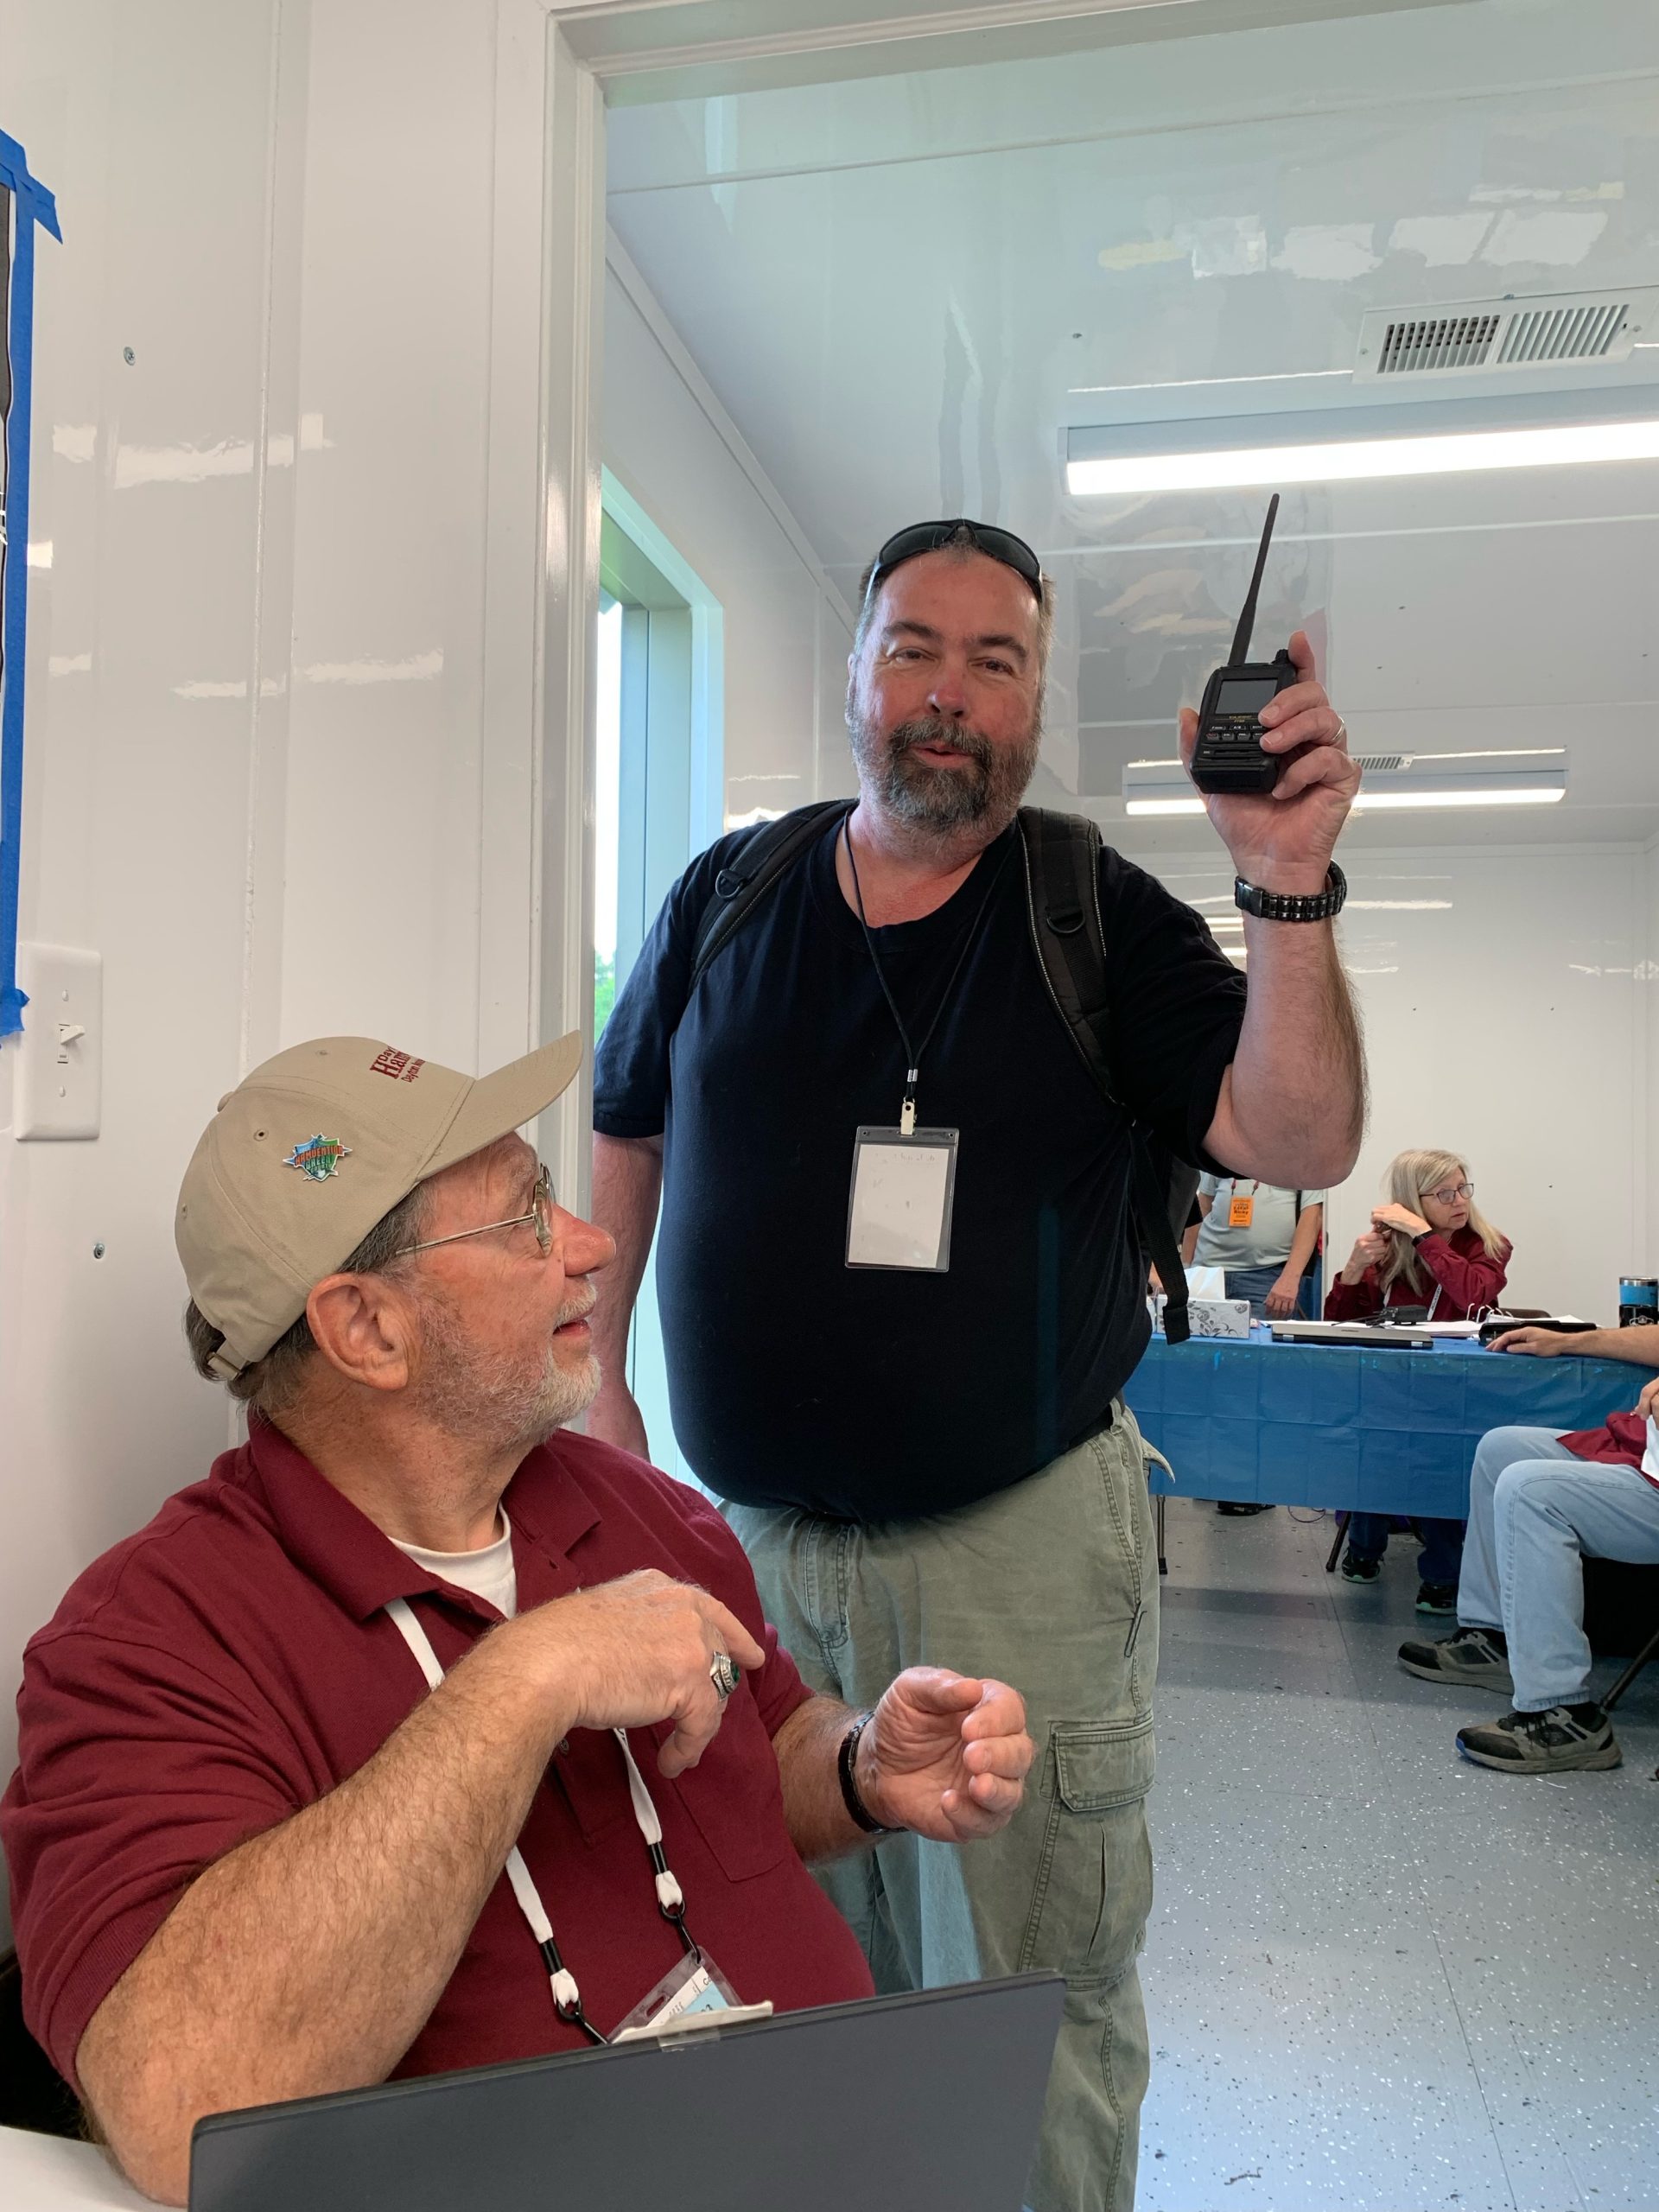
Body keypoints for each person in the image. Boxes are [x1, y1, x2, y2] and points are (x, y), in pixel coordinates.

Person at [588, 516, 1364, 2212]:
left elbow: (1300, 1136)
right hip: (750, 1557)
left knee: (1026, 2003)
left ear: (1034, 702)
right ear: (855, 676)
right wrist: (600, 1371)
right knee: (786, 1981)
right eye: (916, 649)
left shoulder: (1099, 915)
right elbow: (626, 1116)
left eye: (995, 660)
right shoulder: (728, 896)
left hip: (1016, 1554)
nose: (950, 691)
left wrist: (1287, 880)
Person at [0, 1033, 1034, 2207]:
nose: (592, 1246)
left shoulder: (644, 1509)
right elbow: (178, 2105)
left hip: (843, 2159)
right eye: (524, 1218)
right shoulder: (149, 1645)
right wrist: (526, 1680)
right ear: (366, 1329)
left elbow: (768, 1739)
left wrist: (860, 1766)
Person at [1396, 1319, 1659, 1773]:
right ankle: (1495, 1641)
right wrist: (1568, 1342)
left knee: (1530, 1489)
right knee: (1502, 1449)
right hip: (1647, 1455)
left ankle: (1564, 1714)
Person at [1327, 1149, 1510, 1610]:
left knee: (1441, 1457)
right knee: (1372, 1444)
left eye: (1463, 1189)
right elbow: (1340, 1325)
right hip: (1388, 1386)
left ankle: (1443, 1573)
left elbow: (1472, 1292)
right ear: (1413, 1200)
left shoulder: (1489, 1246)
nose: (1460, 1200)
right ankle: (1364, 1549)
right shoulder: (1387, 1250)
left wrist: (1425, 1236)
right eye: (1444, 1193)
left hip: (1453, 1389)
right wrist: (1353, 1270)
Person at [1187, 1177, 1324, 1516]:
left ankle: (1248, 1484)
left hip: (1266, 1276)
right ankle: (1217, 1474)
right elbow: (1201, 1205)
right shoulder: (1223, 1152)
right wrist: (1184, 1273)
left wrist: (1291, 1276)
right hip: (1210, 1273)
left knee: (1255, 1386)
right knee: (1209, 1382)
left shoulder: (1300, 1156)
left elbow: (1311, 1216)